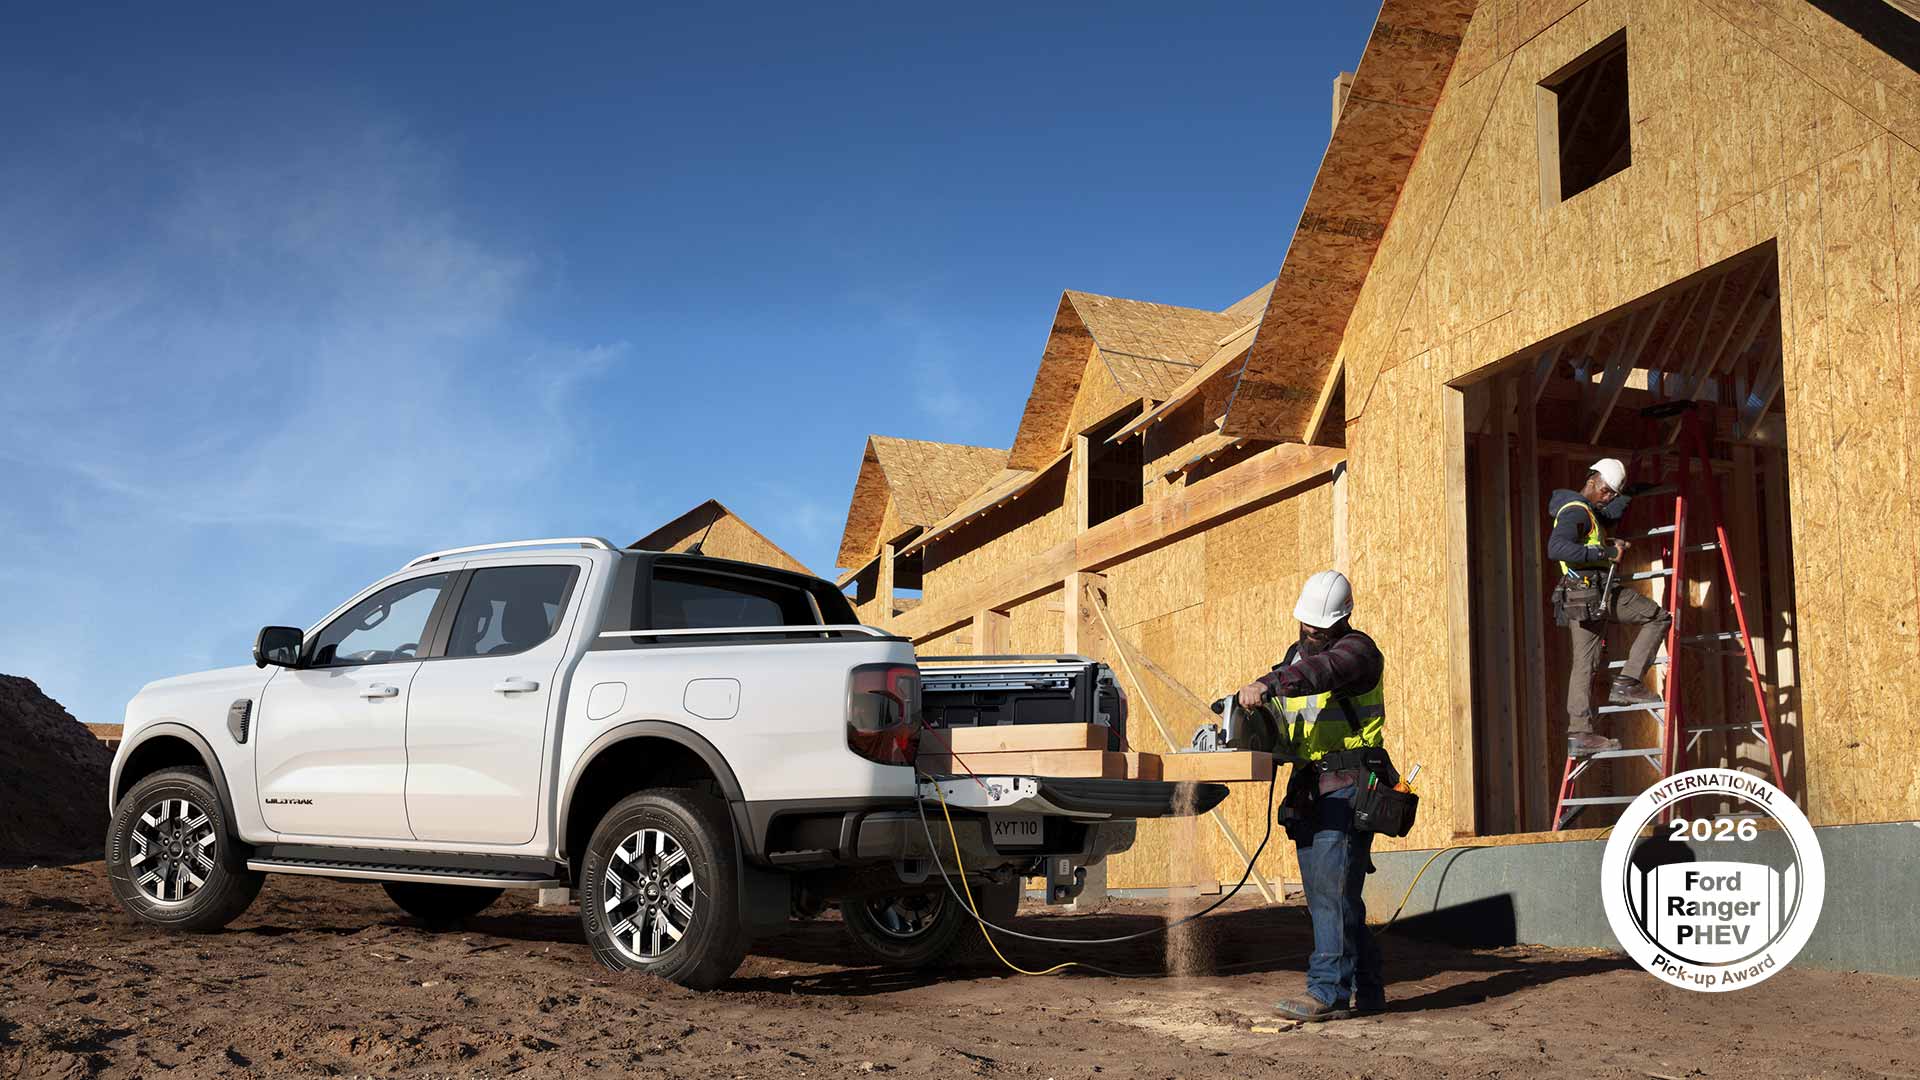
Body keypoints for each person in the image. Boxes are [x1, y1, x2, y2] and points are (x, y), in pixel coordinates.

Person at [1236, 569, 1387, 1022]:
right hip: (1310, 789)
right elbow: (1285, 677)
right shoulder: (1294, 657)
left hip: (1348, 786)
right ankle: (1369, 988)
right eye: (1306, 625)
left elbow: (1321, 672)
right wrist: (1240, 705)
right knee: (1337, 896)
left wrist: (1271, 685)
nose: (1310, 633)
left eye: (1319, 627)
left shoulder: (1359, 652)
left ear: (1343, 620)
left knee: (1330, 893)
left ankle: (1328, 992)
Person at [1548, 457, 1670, 755]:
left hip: (1580, 600)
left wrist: (1629, 495)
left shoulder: (1587, 511)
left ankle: (1580, 734)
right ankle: (1628, 682)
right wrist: (1606, 551)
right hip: (1595, 594)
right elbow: (1557, 547)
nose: (1607, 498)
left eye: (1612, 494)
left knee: (1584, 664)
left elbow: (1605, 520)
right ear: (1592, 481)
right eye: (1606, 491)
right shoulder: (1576, 512)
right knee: (1657, 617)